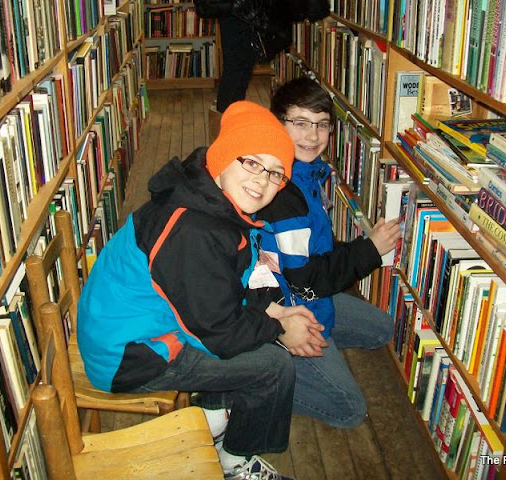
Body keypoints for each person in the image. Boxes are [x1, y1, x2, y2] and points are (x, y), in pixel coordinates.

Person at [77, 101, 326, 480]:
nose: (262, 181)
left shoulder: (210, 200)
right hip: (129, 356)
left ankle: (213, 420)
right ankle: (235, 462)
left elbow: (229, 281)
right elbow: (218, 334)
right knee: (273, 367)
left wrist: (273, 311)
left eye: (276, 173)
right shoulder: (194, 229)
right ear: (222, 158)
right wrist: (278, 327)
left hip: (141, 328)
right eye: (252, 162)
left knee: (256, 333)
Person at [255, 77, 402, 428]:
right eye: (300, 123)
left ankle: (313, 348)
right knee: (349, 410)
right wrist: (369, 250)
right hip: (288, 304)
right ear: (277, 123)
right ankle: (255, 379)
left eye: (321, 125)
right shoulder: (285, 195)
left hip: (308, 293)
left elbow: (314, 249)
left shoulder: (306, 174)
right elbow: (305, 279)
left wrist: (362, 249)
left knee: (381, 329)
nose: (312, 135)